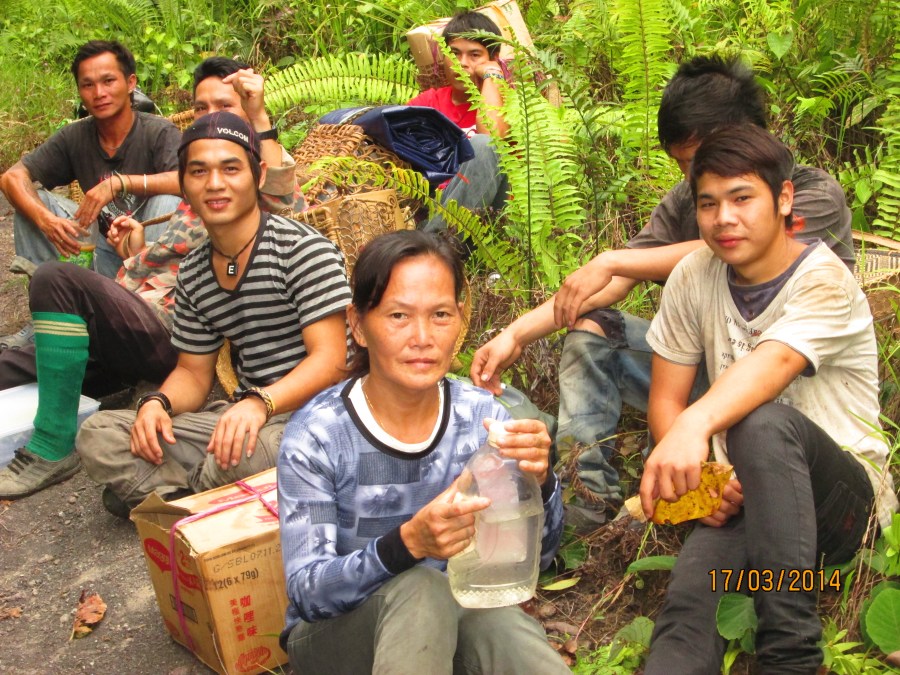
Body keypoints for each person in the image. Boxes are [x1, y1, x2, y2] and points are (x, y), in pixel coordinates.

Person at [469, 54, 855, 516]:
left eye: (694, 161)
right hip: (710, 375)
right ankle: (586, 495)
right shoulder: (688, 199)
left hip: (795, 396)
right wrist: (515, 333)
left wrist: (614, 259)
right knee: (597, 330)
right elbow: (614, 282)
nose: (693, 181)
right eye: (683, 166)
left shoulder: (807, 193)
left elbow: (731, 250)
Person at [638, 125, 897, 673]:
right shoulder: (693, 276)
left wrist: (694, 428)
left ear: (783, 200)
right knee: (689, 607)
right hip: (749, 507)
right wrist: (707, 475)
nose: (723, 218)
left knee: (763, 424)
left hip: (842, 512)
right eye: (708, 204)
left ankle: (791, 656)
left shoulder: (824, 280)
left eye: (742, 198)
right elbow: (666, 400)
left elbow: (773, 365)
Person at [0, 58, 304, 502]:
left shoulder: (248, 179)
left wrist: (260, 119)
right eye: (200, 108)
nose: (209, 116)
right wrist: (136, 248)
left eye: (224, 105)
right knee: (16, 367)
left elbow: (282, 205)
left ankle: (52, 446)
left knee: (56, 280)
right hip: (131, 318)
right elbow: (172, 259)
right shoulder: (197, 183)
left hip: (169, 337)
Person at [278, 230, 568, 674]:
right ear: (357, 323)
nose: (422, 337)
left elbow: (534, 562)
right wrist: (406, 545)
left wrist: (541, 481)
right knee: (421, 589)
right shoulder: (317, 435)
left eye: (439, 315)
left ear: (460, 319)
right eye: (398, 315)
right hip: (339, 635)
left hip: (460, 608)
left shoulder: (483, 422)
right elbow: (309, 593)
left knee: (504, 628)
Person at [0, 40, 182, 280]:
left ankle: (151, 303)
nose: (99, 93)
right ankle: (59, 305)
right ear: (79, 91)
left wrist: (119, 183)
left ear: (130, 83)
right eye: (88, 85)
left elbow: (188, 181)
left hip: (148, 250)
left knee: (168, 202)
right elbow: (12, 177)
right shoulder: (75, 136)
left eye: (108, 81)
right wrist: (47, 221)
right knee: (32, 205)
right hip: (101, 253)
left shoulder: (159, 132)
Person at [408, 11, 510, 232]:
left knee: (483, 146)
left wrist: (491, 76)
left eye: (475, 55)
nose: (462, 63)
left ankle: (433, 247)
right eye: (454, 53)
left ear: (493, 59)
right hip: (438, 206)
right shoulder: (428, 102)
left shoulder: (510, 102)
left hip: (493, 216)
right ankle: (433, 242)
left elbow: (491, 138)